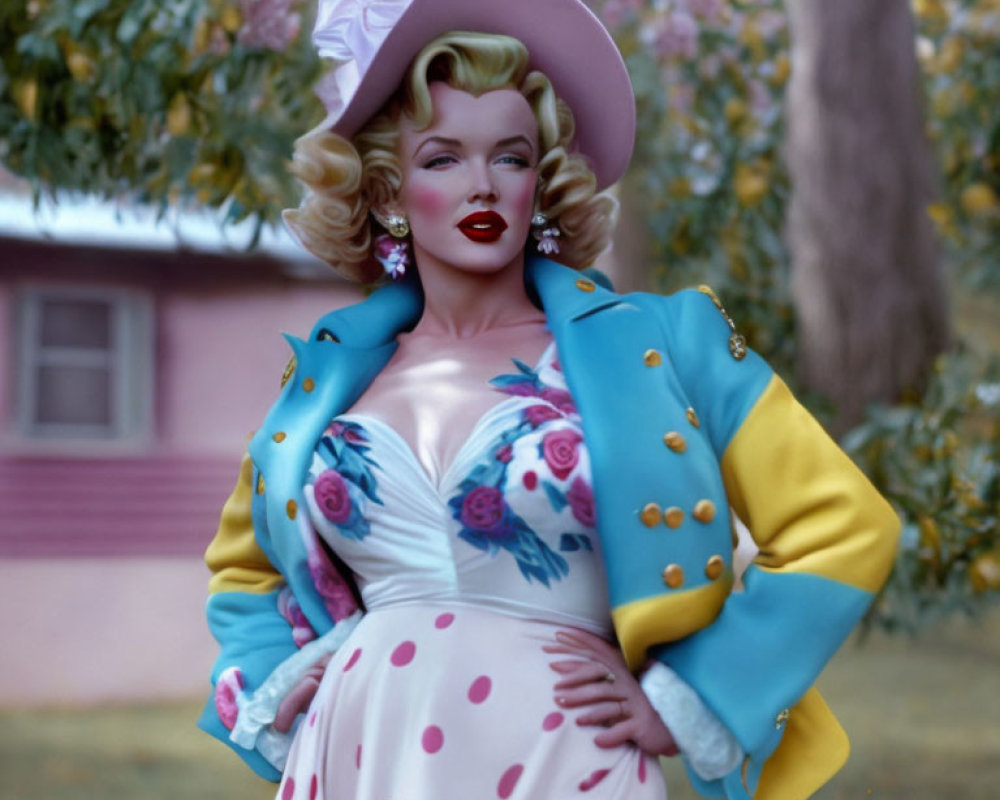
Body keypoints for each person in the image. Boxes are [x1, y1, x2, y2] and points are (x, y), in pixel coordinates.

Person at [198, 1, 901, 799]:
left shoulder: (668, 342)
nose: (483, 185)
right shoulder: (329, 375)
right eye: (442, 159)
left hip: (562, 753)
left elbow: (844, 525)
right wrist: (271, 694)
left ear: (542, 178)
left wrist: (691, 698)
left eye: (511, 156)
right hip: (362, 750)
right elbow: (241, 570)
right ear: (389, 190)